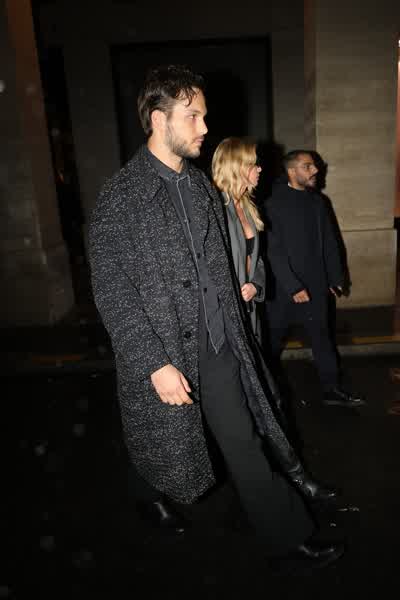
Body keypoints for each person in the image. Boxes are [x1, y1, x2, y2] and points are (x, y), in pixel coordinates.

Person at [89, 66, 344, 570]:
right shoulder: (120, 197)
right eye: (193, 116)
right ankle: (145, 490)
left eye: (204, 115)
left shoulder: (202, 189)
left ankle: (288, 536)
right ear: (159, 119)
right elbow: (113, 291)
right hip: (165, 349)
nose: (205, 127)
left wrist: (241, 308)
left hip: (219, 345)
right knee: (162, 435)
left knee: (243, 441)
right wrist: (153, 362)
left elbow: (217, 268)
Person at [263, 150, 365, 408]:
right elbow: (273, 250)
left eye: (315, 166)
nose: (315, 171)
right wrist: (293, 286)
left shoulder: (318, 201)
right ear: (291, 171)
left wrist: (334, 277)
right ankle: (264, 393)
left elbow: (330, 241)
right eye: (307, 166)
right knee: (271, 343)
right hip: (283, 291)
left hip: (316, 286)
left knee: (323, 339)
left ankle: (332, 388)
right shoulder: (272, 203)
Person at [212, 137, 265, 346]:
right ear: (237, 167)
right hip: (225, 315)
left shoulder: (248, 208)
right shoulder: (214, 208)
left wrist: (256, 285)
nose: (259, 169)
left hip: (249, 307)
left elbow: (256, 258)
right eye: (254, 164)